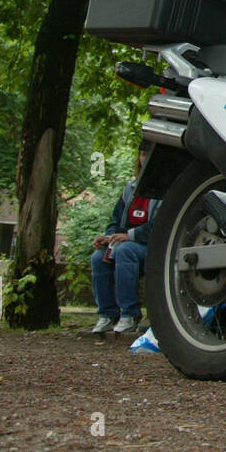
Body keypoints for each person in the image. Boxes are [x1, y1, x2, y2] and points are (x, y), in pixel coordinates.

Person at [90, 142, 161, 334]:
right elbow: (116, 220)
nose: (145, 159)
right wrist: (108, 237)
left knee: (125, 251)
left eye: (149, 155)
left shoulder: (166, 190)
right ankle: (107, 314)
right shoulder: (130, 188)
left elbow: (159, 227)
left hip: (152, 247)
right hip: (125, 242)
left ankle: (129, 314)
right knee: (98, 257)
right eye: (143, 154)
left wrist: (128, 236)